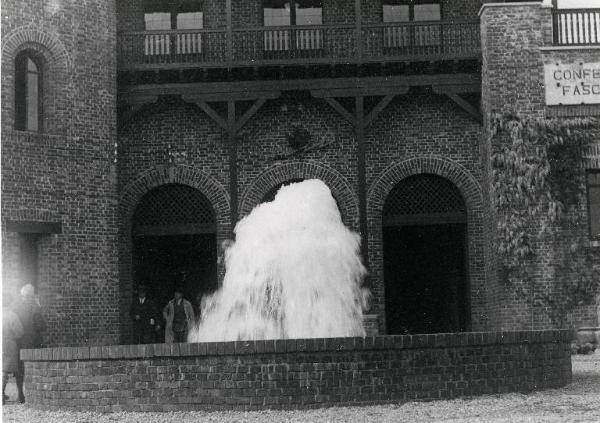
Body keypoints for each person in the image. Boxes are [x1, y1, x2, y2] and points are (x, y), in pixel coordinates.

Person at [14, 284, 45, 403]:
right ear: (32, 296)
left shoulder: (16, 308)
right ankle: (36, 395)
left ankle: (20, 395)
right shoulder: (36, 308)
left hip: (20, 342)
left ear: (22, 296)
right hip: (34, 342)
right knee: (36, 367)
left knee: (20, 369)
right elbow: (42, 326)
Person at [3, 292, 24, 404]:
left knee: (3, 370)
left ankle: (1, 395)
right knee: (16, 370)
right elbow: (20, 332)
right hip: (9, 344)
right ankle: (20, 395)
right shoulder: (12, 315)